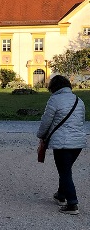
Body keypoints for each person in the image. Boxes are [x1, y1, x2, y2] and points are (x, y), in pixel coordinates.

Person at [37, 74, 86, 215]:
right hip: (78, 142)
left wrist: (41, 136)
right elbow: (81, 121)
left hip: (62, 142)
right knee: (66, 168)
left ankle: (72, 204)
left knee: (64, 171)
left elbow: (46, 121)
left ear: (53, 87)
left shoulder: (54, 100)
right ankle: (61, 194)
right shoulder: (79, 100)